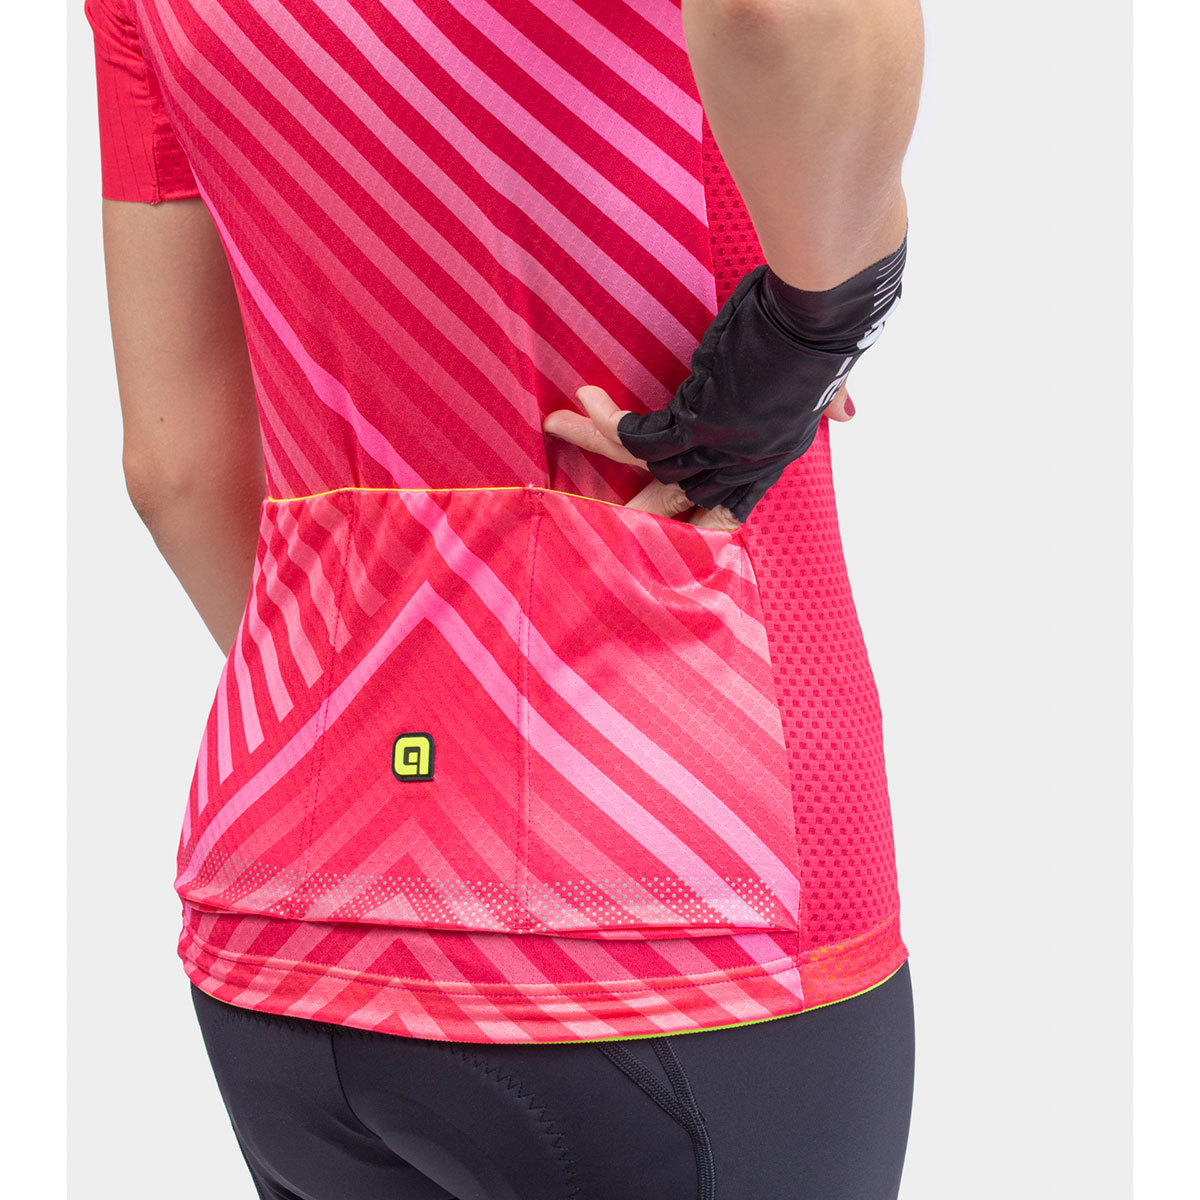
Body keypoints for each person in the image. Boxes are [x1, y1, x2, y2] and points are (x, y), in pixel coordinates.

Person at [84, 0, 924, 1196]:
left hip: (287, 905)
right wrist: (820, 316)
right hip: (686, 884)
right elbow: (782, 14)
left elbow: (175, 470)